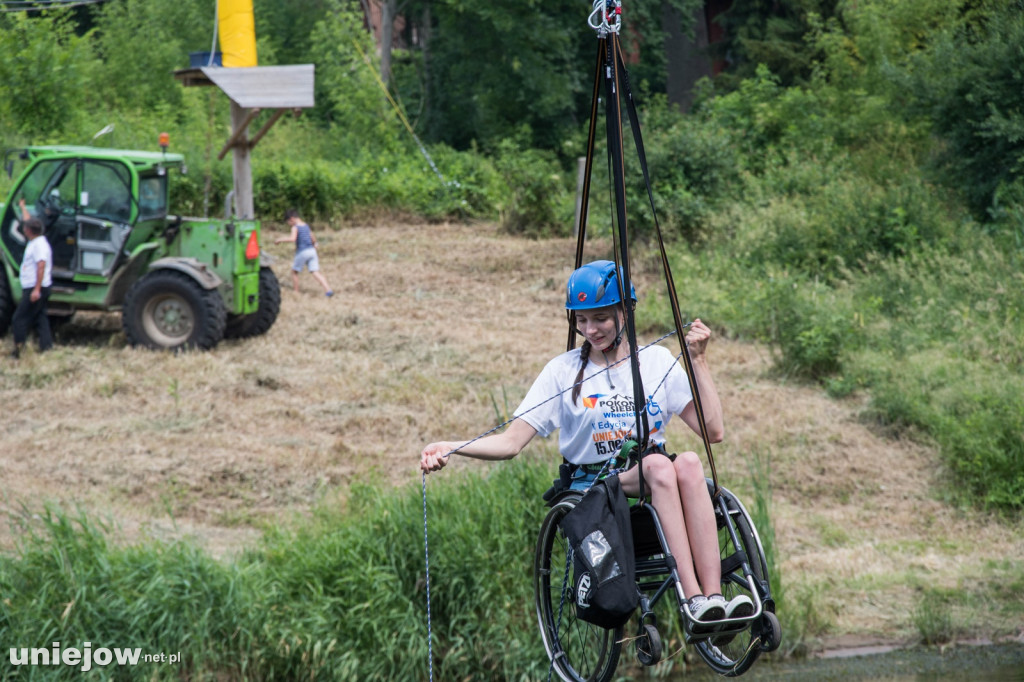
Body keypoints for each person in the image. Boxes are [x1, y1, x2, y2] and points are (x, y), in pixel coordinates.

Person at [420, 260, 753, 629]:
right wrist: (451, 446)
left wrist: (699, 361)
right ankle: (693, 602)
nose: (589, 329)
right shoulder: (561, 371)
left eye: (600, 319)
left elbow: (713, 431)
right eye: (580, 320)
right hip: (595, 486)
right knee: (660, 466)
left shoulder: (656, 361)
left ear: (624, 312)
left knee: (689, 461)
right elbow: (511, 443)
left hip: (651, 474)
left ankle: (716, 598)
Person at [10, 216, 53, 358]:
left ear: (28, 231)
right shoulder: (37, 241)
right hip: (36, 286)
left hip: (35, 288)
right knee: (40, 317)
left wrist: (36, 289)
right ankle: (46, 347)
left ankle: (18, 350)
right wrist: (22, 207)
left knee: (19, 318)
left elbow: (41, 266)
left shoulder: (39, 246)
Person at [275, 209, 333, 297]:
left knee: (294, 272)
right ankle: (328, 290)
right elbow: (312, 236)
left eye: (288, 222)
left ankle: (296, 292)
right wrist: (315, 243)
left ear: (292, 219)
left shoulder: (295, 227)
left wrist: (280, 239)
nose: (289, 224)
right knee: (315, 271)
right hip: (312, 251)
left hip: (303, 251)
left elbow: (292, 239)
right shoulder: (306, 225)